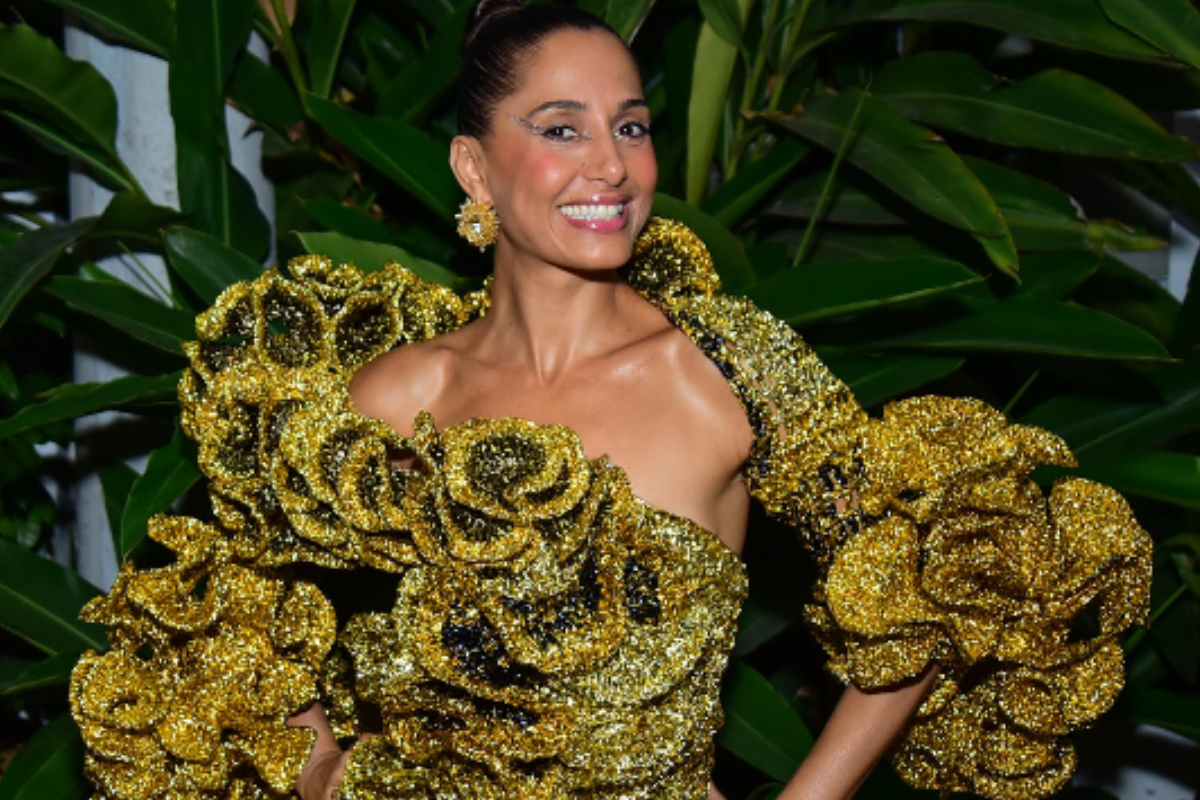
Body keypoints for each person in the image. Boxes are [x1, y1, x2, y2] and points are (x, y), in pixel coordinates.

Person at [69, 3, 1152, 800]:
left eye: (630, 127)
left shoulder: (717, 368)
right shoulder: (399, 392)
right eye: (560, 127)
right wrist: (315, 756)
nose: (611, 165)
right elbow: (220, 609)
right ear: (473, 168)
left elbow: (948, 558)